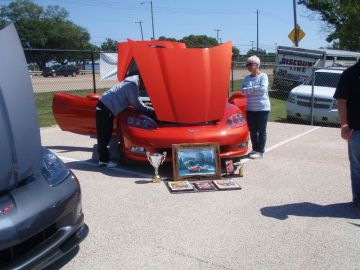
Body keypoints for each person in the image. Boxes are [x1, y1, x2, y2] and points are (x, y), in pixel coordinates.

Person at [96, 72, 154, 168]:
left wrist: (144, 104)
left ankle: (103, 159)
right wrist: (150, 110)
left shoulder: (131, 82)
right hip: (104, 109)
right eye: (146, 85)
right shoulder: (132, 85)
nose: (145, 88)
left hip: (105, 107)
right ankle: (103, 161)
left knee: (106, 134)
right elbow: (135, 103)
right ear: (142, 80)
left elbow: (132, 99)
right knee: (104, 135)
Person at [333, 61, 360, 207]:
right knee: (357, 168)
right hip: (357, 130)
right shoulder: (350, 74)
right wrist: (344, 125)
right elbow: (341, 100)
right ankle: (358, 201)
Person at [240, 55, 271, 159]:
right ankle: (255, 149)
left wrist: (250, 89)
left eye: (250, 64)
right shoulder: (246, 78)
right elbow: (243, 91)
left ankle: (260, 150)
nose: (248, 66)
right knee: (252, 130)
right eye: (247, 64)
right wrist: (254, 88)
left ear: (257, 65)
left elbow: (263, 89)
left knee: (261, 130)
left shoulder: (263, 76)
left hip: (262, 108)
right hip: (250, 108)